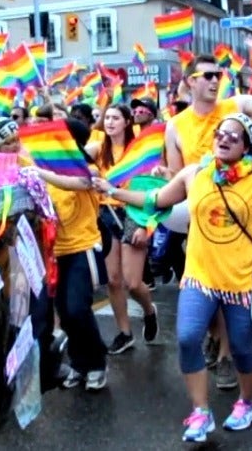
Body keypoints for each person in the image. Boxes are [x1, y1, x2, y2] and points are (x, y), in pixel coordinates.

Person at [95, 113, 252, 441]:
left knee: (242, 349)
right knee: (187, 338)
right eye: (221, 133)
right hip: (200, 276)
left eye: (234, 135)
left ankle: (247, 402)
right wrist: (112, 190)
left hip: (239, 282)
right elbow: (154, 200)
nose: (225, 138)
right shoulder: (194, 174)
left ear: (246, 146)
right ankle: (201, 412)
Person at [163, 44, 252, 390]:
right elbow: (179, 180)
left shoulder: (235, 105)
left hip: (241, 217)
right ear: (190, 82)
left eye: (218, 75)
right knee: (202, 289)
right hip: (202, 219)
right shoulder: (175, 126)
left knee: (229, 290)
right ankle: (214, 336)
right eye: (207, 75)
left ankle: (225, 356)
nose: (215, 80)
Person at [36, 119, 109, 391]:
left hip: (83, 247)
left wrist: (38, 172)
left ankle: (98, 362)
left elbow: (72, 184)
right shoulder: (45, 171)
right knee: (65, 313)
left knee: (78, 308)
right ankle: (80, 363)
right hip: (55, 253)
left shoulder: (87, 170)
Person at [86, 104, 159, 354]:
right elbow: (74, 159)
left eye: (115, 118)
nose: (109, 122)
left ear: (128, 122)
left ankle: (149, 310)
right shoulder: (98, 149)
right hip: (105, 215)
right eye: (106, 117)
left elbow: (152, 192)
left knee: (132, 281)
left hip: (133, 213)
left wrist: (146, 226)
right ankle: (124, 333)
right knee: (114, 281)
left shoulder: (139, 150)